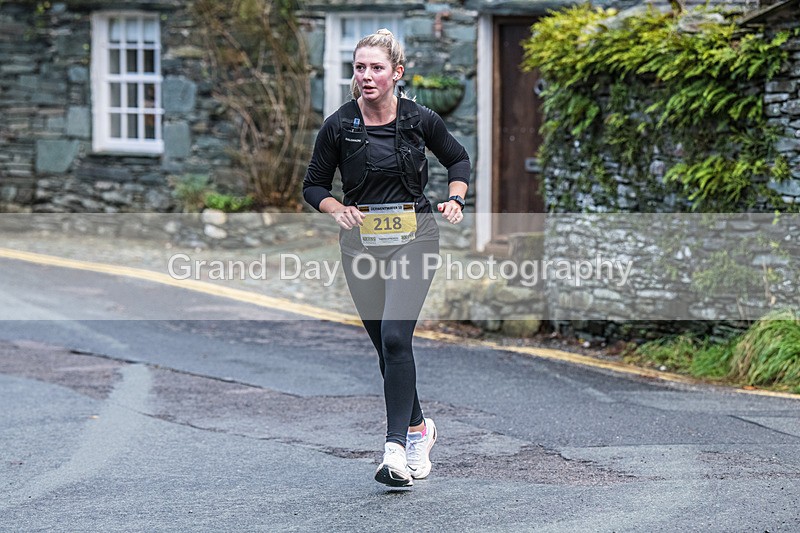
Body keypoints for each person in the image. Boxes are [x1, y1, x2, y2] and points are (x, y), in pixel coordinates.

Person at [302, 28, 470, 488]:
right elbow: (313, 185)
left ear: (396, 73)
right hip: (360, 246)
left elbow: (458, 159)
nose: (366, 75)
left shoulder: (420, 119)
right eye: (360, 67)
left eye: (376, 68)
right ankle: (419, 429)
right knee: (385, 347)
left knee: (396, 337)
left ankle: (395, 450)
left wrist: (456, 198)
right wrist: (335, 208)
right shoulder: (339, 125)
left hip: (415, 238)